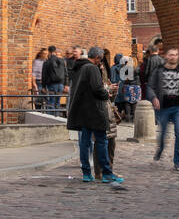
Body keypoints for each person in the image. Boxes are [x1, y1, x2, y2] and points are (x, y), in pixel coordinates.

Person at [67, 46, 122, 183]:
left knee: (85, 143)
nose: (100, 62)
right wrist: (107, 93)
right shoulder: (91, 68)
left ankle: (86, 173)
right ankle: (106, 173)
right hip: (94, 110)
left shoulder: (79, 67)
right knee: (102, 141)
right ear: (97, 57)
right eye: (100, 59)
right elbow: (97, 88)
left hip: (83, 110)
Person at [150, 48, 179, 171]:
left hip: (178, 108)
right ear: (166, 56)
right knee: (163, 133)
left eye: (176, 54)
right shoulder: (158, 70)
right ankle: (161, 148)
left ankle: (177, 162)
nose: (173, 57)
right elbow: (150, 86)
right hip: (164, 108)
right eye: (171, 55)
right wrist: (154, 97)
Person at [42, 45, 67, 117]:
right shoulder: (62, 61)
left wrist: (43, 86)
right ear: (55, 51)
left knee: (51, 102)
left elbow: (44, 75)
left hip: (52, 84)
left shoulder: (47, 62)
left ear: (49, 52)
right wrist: (66, 84)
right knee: (58, 102)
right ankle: (57, 118)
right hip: (61, 84)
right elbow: (66, 73)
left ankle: (50, 119)